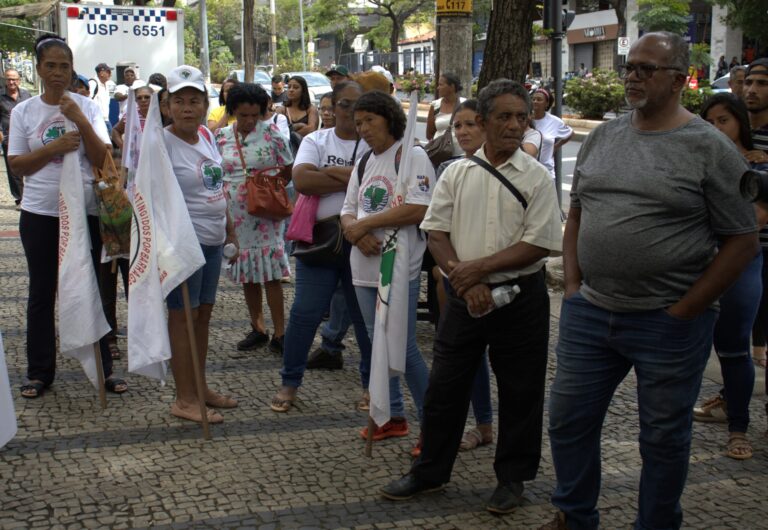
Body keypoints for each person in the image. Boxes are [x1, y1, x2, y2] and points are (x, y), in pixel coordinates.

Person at [541, 32, 758, 530]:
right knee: (568, 420)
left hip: (669, 322)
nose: (633, 76)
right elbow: (577, 213)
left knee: (662, 437)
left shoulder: (709, 148)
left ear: (680, 80)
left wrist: (686, 308)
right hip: (591, 312)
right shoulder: (604, 135)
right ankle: (574, 516)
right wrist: (573, 287)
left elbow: (741, 241)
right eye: (630, 67)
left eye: (647, 69)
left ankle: (657, 523)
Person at [381, 80, 562, 513]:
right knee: (445, 386)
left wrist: (476, 270)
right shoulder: (457, 173)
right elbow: (436, 230)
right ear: (482, 121)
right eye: (504, 116)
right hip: (465, 298)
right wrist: (468, 282)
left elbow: (538, 244)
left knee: (521, 390)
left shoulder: (537, 177)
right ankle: (430, 470)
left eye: (522, 117)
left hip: (521, 297)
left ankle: (512, 478)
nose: (516, 125)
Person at [8, 35, 127, 399]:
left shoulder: (86, 106)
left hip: (86, 211)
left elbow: (101, 159)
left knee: (96, 287)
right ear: (39, 69)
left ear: (72, 69)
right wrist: (54, 148)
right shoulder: (23, 112)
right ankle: (40, 371)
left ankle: (104, 368)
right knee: (42, 292)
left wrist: (81, 121)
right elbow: (17, 165)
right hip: (41, 212)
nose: (58, 73)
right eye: (51, 66)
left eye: (64, 66)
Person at [271, 80, 373, 413]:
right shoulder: (316, 139)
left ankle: (372, 388)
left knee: (365, 320)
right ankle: (289, 383)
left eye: (358, 105)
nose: (351, 112)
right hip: (322, 241)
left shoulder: (378, 145)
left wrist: (329, 174)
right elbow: (302, 181)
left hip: (364, 242)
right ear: (331, 107)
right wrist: (355, 175)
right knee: (304, 314)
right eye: (343, 105)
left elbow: (380, 183)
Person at [340, 90, 433, 454]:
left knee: (403, 347)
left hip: (397, 265)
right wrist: (355, 232)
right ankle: (393, 416)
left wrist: (365, 226)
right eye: (358, 122)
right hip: (363, 267)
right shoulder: (364, 161)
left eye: (370, 121)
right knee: (377, 343)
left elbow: (417, 209)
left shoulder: (412, 156)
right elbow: (349, 208)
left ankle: (434, 424)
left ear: (389, 119)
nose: (363, 128)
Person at [689, 93, 767, 460]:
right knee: (688, 346)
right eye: (709, 121)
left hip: (741, 263)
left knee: (735, 349)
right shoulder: (693, 159)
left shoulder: (757, 166)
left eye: (724, 121)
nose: (716, 128)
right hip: (696, 261)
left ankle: (739, 428)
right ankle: (671, 428)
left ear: (740, 124)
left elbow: (756, 219)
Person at [163, 65, 238, 423]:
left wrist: (230, 228)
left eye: (195, 100)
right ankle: (184, 398)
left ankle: (200, 387)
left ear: (206, 104)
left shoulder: (206, 136)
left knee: (203, 315)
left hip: (212, 239)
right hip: (183, 244)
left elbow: (216, 186)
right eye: (180, 101)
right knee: (183, 318)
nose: (187, 108)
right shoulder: (161, 143)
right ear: (168, 106)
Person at [433, 99, 495, 452]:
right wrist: (452, 271)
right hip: (454, 275)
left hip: (497, 277)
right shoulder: (450, 169)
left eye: (471, 124)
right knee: (464, 355)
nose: (463, 132)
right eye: (458, 126)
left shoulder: (516, 169)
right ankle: (479, 423)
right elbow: (438, 227)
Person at [215, 83, 293, 355]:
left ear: (262, 112)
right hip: (234, 212)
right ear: (233, 111)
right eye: (243, 115)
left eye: (254, 115)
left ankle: (281, 332)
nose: (248, 120)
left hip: (264, 213)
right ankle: (258, 327)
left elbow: (288, 167)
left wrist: (268, 189)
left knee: (271, 273)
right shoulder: (222, 136)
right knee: (247, 270)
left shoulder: (272, 134)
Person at [0, 68, 31, 208]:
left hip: (28, 136)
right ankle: (20, 199)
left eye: (14, 79)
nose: (11, 82)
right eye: (8, 79)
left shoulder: (26, 95)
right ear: (5, 81)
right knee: (14, 169)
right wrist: (1, 135)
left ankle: (30, 195)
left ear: (19, 80)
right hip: (9, 137)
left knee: (30, 165)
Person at [531, 88, 573, 180]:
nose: (535, 102)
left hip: (546, 173)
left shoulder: (554, 121)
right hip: (528, 173)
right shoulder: (525, 120)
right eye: (533, 99)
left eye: (539, 99)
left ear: (546, 103)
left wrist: (556, 146)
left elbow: (570, 133)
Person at [426, 73, 466, 157]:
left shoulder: (465, 104)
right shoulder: (435, 106)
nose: (438, 88)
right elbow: (429, 134)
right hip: (440, 156)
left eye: (441, 85)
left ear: (452, 87)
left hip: (461, 155)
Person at [111, 85, 152, 150]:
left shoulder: (160, 114)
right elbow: (115, 131)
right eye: (139, 98)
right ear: (136, 100)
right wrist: (124, 148)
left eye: (147, 97)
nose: (143, 100)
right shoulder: (131, 116)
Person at [89, 63, 115, 132]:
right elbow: (87, 101)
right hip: (96, 121)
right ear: (101, 73)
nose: (110, 74)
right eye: (108, 72)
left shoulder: (107, 84)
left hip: (105, 120)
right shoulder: (93, 83)